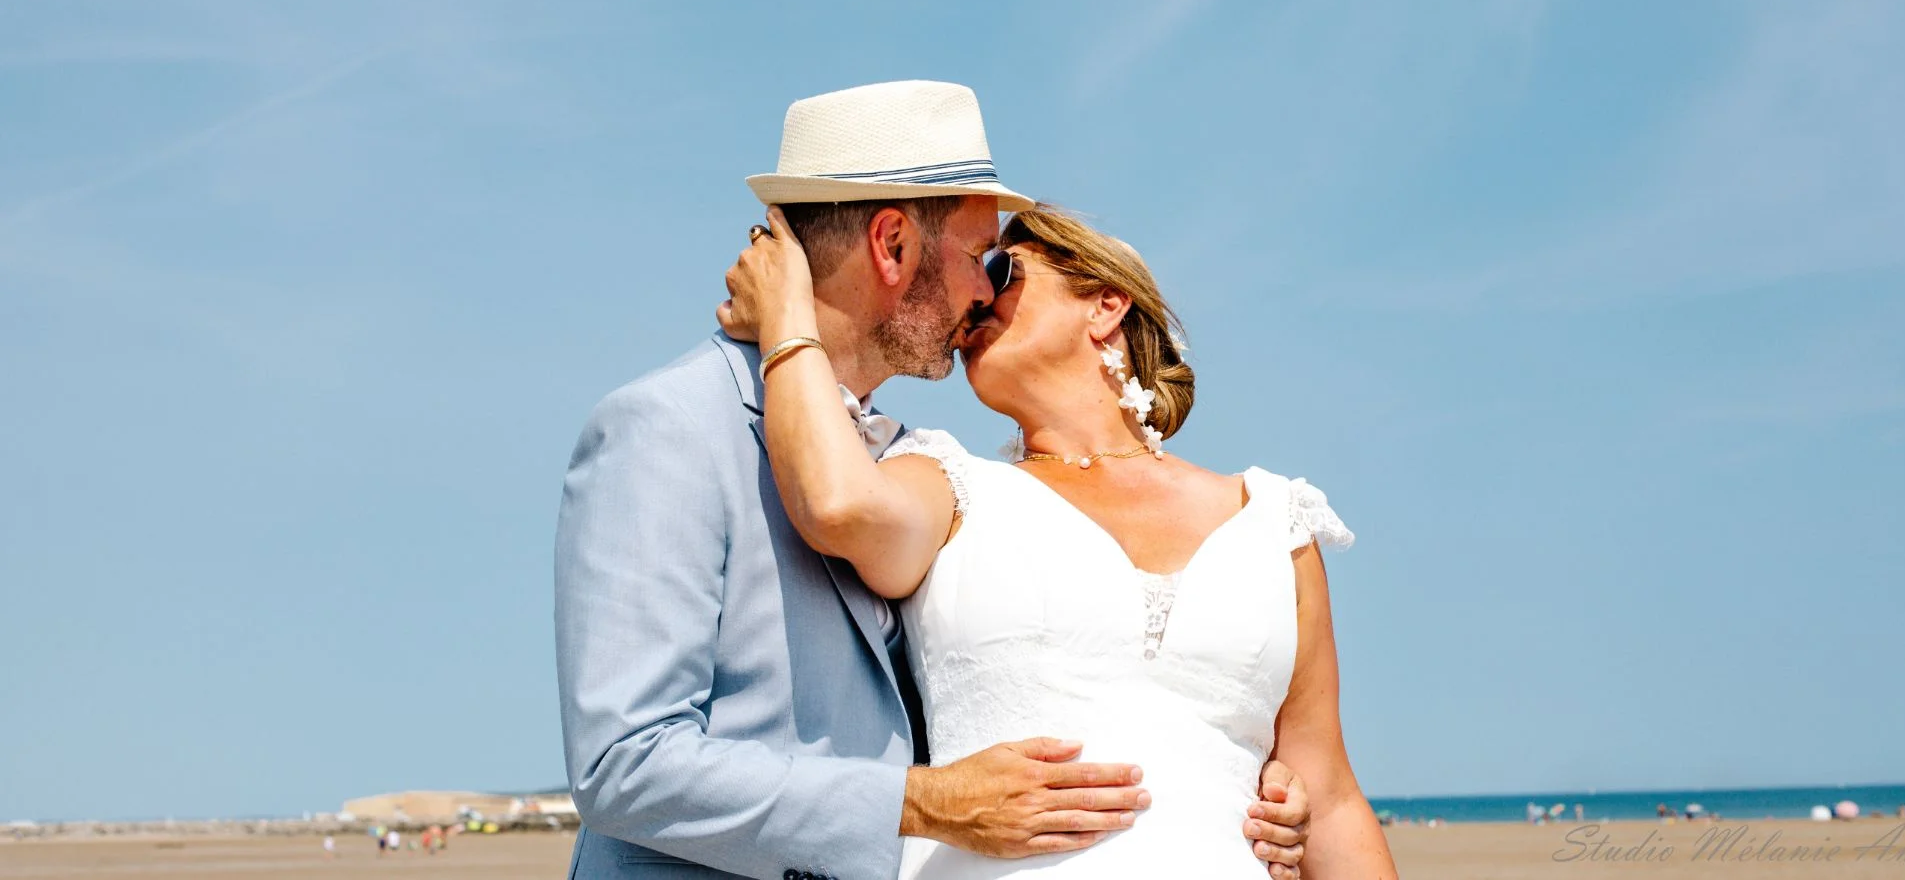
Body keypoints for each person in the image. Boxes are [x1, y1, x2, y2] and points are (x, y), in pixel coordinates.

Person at [555, 81, 1311, 880]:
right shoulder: (667, 427)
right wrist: (918, 804)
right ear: (892, 246)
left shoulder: (911, 463)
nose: (984, 292)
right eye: (979, 257)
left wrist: (1236, 783)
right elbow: (623, 764)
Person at [720, 201, 1399, 879]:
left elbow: (1332, 800)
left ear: (1105, 305)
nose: (977, 298)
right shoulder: (949, 484)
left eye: (1002, 270)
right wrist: (788, 317)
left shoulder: (1273, 525)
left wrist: (1294, 811)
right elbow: (834, 503)